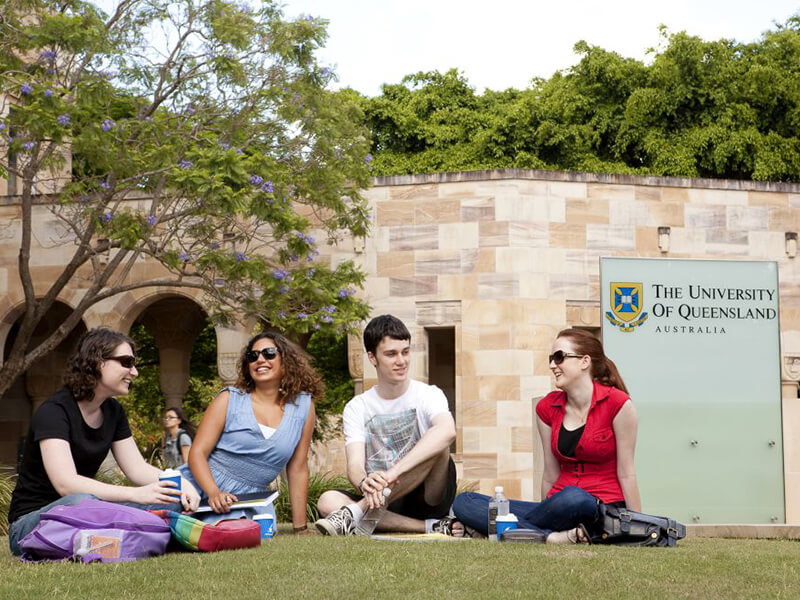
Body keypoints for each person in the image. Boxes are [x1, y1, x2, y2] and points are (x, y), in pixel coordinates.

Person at [7, 328, 200, 556]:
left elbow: (137, 469)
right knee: (82, 501)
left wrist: (180, 484)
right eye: (126, 362)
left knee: (169, 499)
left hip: (90, 512)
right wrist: (134, 494)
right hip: (33, 524)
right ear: (98, 361)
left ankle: (115, 539)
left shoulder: (113, 411)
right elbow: (66, 484)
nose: (135, 372)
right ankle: (126, 537)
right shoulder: (54, 411)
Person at [452, 328, 641, 543]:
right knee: (464, 501)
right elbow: (550, 474)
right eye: (551, 358)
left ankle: (510, 531)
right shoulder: (547, 408)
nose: (553, 365)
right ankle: (552, 536)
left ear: (584, 361)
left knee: (575, 498)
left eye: (559, 357)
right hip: (557, 506)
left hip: (599, 506)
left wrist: (636, 525)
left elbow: (627, 473)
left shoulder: (618, 404)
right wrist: (547, 512)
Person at [314, 314, 459, 536]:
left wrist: (392, 474)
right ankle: (430, 527)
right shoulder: (357, 406)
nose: (401, 361)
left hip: (426, 494)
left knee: (438, 444)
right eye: (391, 354)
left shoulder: (429, 394)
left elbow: (447, 431)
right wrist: (365, 482)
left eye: (405, 352)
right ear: (372, 358)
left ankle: (356, 513)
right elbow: (354, 465)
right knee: (327, 501)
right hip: (382, 500)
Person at [179, 331, 320, 535]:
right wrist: (213, 492)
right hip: (199, 486)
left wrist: (301, 528)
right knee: (153, 520)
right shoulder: (229, 399)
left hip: (250, 500)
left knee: (235, 534)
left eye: (269, 353)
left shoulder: (304, 406)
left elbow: (298, 468)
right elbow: (197, 453)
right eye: (253, 356)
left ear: (286, 361)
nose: (260, 359)